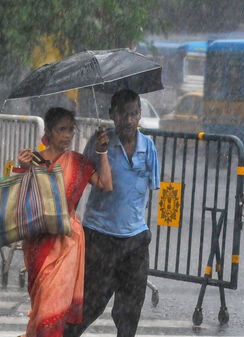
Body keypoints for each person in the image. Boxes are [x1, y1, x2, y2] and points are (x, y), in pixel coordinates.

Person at [63, 89, 160, 337]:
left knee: (130, 312)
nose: (129, 120)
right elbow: (79, 181)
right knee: (88, 306)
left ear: (139, 115)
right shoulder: (97, 145)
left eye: (133, 113)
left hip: (136, 242)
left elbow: (149, 192)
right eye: (123, 114)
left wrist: (134, 226)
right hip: (100, 238)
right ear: (112, 114)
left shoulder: (148, 148)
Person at [15, 107, 112, 337]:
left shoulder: (78, 162)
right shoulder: (34, 160)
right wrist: (21, 168)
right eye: (61, 130)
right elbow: (21, 200)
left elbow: (106, 184)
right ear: (48, 132)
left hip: (67, 243)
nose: (67, 135)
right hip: (39, 242)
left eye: (70, 130)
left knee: (53, 305)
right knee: (41, 307)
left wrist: (102, 152)